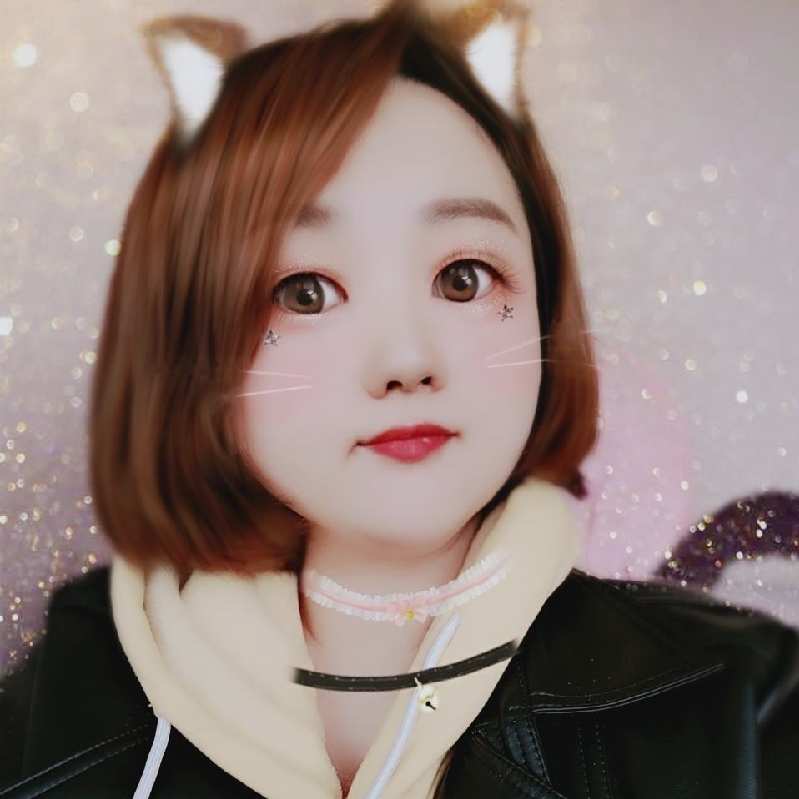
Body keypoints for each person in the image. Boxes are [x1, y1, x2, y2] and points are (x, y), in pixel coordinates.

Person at [1, 2, 796, 797]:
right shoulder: (54, 710)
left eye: (463, 279)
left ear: (543, 300)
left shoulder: (745, 704)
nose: (406, 361)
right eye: (304, 291)